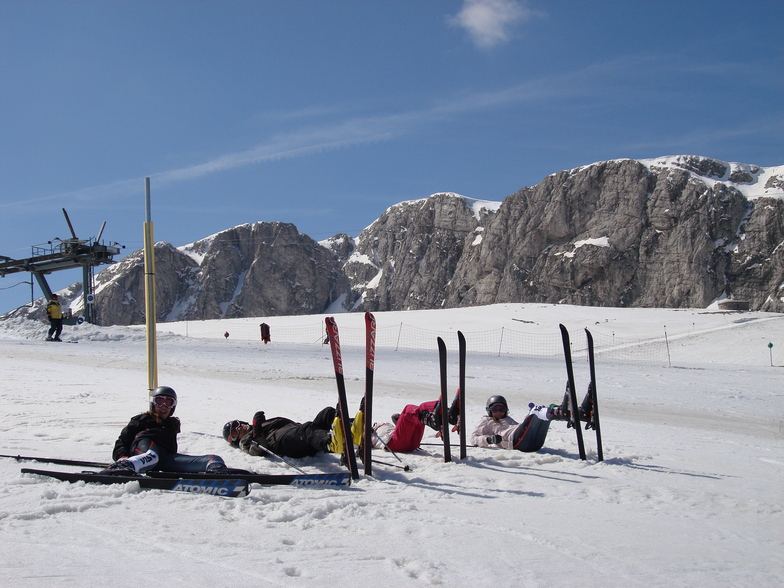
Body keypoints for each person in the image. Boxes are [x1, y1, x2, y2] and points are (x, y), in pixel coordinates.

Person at [104, 386, 228, 474]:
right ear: (152, 404)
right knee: (152, 455)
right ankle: (127, 466)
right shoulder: (142, 420)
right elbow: (122, 441)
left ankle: (217, 471)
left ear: (173, 406)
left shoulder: (171, 425)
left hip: (165, 459)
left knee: (213, 459)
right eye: (159, 402)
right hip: (144, 452)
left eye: (168, 402)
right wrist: (123, 457)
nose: (163, 406)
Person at [223, 406, 337, 459]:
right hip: (284, 442)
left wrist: (261, 426)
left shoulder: (261, 425)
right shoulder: (244, 440)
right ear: (235, 440)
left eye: (237, 425)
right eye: (234, 433)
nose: (239, 429)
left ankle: (351, 431)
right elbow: (256, 450)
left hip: (300, 433)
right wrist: (257, 432)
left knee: (327, 413)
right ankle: (330, 443)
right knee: (306, 430)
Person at [470, 395, 572, 453]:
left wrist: (527, 422)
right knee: (536, 413)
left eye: (502, 409)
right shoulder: (486, 421)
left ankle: (565, 413)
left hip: (535, 444)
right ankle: (547, 411)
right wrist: (488, 439)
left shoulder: (508, 419)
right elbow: (473, 438)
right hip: (516, 442)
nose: (499, 412)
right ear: (489, 410)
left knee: (544, 417)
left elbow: (521, 428)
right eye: (495, 409)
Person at [371, 396, 459, 453]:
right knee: (408, 409)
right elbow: (361, 444)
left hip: (411, 443)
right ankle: (432, 420)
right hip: (393, 444)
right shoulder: (366, 434)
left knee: (422, 409)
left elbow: (401, 429)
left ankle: (449, 415)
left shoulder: (379, 425)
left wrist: (398, 420)